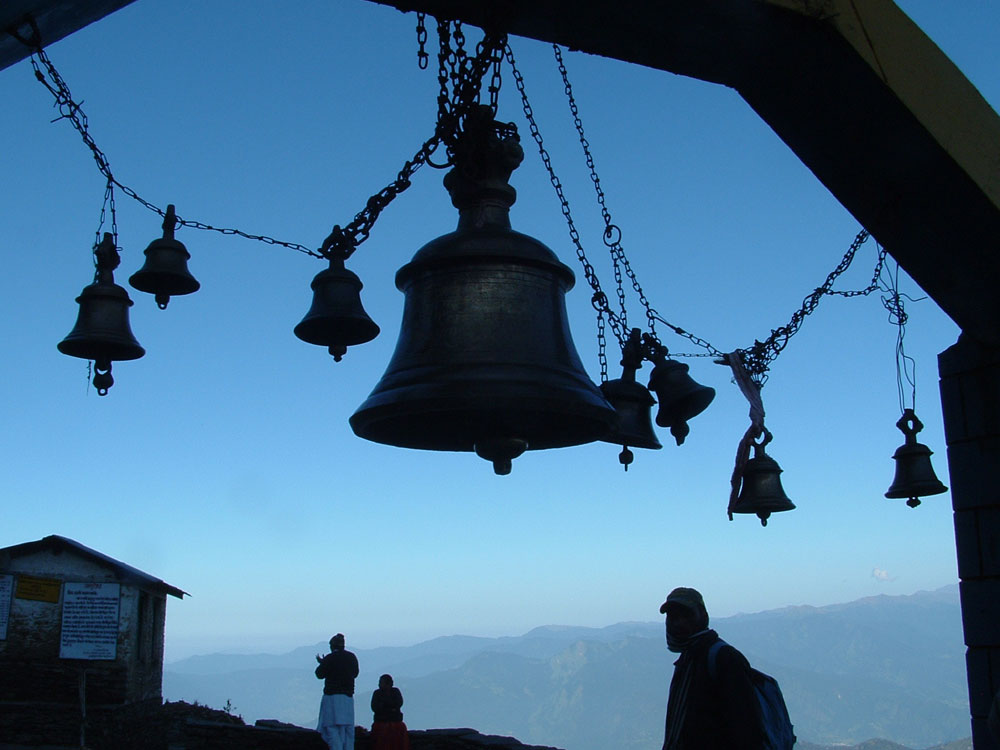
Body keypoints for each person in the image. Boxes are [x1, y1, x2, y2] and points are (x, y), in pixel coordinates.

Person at [660, 587, 765, 749]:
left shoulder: (724, 659)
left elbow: (748, 730)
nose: (678, 622)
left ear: (703, 616)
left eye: (686, 615)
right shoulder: (688, 660)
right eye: (673, 616)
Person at [315, 633, 360, 750]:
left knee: (332, 729)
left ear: (332, 646)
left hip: (332, 698)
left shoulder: (330, 658)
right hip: (348, 698)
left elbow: (319, 674)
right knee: (348, 732)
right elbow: (355, 673)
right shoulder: (352, 657)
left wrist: (324, 663)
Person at [370, 673, 410, 750]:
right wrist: (390, 707)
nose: (379, 685)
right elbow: (374, 707)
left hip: (394, 721)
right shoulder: (377, 693)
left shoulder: (395, 692)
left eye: (381, 682)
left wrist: (384, 705)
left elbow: (399, 703)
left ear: (388, 684)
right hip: (381, 721)